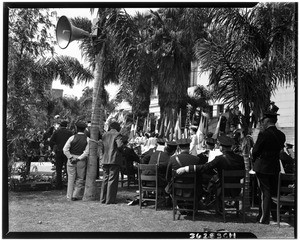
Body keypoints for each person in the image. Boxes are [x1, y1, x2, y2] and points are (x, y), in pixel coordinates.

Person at [176, 135, 245, 211]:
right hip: (236, 190)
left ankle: (210, 202)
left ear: (222, 147)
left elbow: (205, 167)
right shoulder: (240, 158)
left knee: (212, 182)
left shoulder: (219, 159)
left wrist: (187, 168)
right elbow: (242, 174)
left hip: (223, 190)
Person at [252, 111, 286, 224]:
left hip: (262, 166)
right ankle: (274, 216)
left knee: (264, 192)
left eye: (263, 121)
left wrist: (254, 158)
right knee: (272, 192)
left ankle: (264, 218)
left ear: (267, 121)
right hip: (275, 166)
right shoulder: (281, 135)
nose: (262, 123)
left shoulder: (264, 134)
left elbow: (256, 150)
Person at [63, 121, 90, 201]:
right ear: (85, 129)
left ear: (76, 128)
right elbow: (86, 152)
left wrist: (70, 158)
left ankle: (69, 196)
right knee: (80, 179)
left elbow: (65, 149)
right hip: (81, 160)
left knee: (71, 178)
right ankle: (75, 195)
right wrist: (78, 158)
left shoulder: (72, 138)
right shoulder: (87, 139)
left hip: (71, 159)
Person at [100, 121, 124, 204]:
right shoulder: (117, 134)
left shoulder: (105, 134)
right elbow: (120, 145)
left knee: (105, 179)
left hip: (105, 159)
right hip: (114, 159)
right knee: (112, 180)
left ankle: (103, 199)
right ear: (117, 127)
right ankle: (110, 200)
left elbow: (102, 146)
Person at [49, 120, 73, 189]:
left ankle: (58, 185)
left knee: (58, 169)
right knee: (68, 169)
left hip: (59, 152)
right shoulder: (70, 133)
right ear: (66, 126)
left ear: (60, 125)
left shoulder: (56, 132)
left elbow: (51, 141)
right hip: (67, 152)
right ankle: (69, 185)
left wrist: (53, 147)